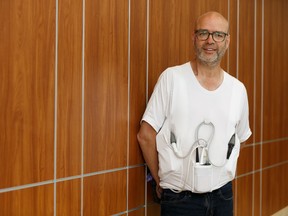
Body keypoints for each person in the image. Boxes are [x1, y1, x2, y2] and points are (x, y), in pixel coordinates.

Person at [137, 11, 252, 216]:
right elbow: (145, 135)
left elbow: (240, 139)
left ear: (227, 41)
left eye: (218, 35)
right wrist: (160, 179)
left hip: (223, 196)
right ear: (194, 38)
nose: (210, 41)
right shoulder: (172, 79)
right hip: (179, 199)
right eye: (203, 33)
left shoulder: (237, 89)